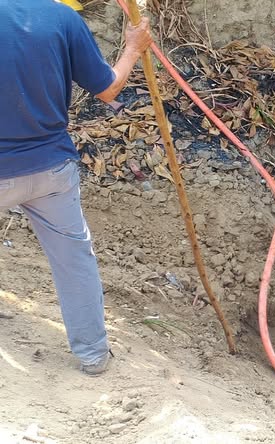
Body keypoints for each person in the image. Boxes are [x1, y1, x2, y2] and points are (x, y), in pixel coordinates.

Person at [0, 0, 152, 375]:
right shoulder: (63, 18)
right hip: (51, 169)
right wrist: (133, 48)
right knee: (74, 263)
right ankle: (93, 355)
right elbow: (109, 90)